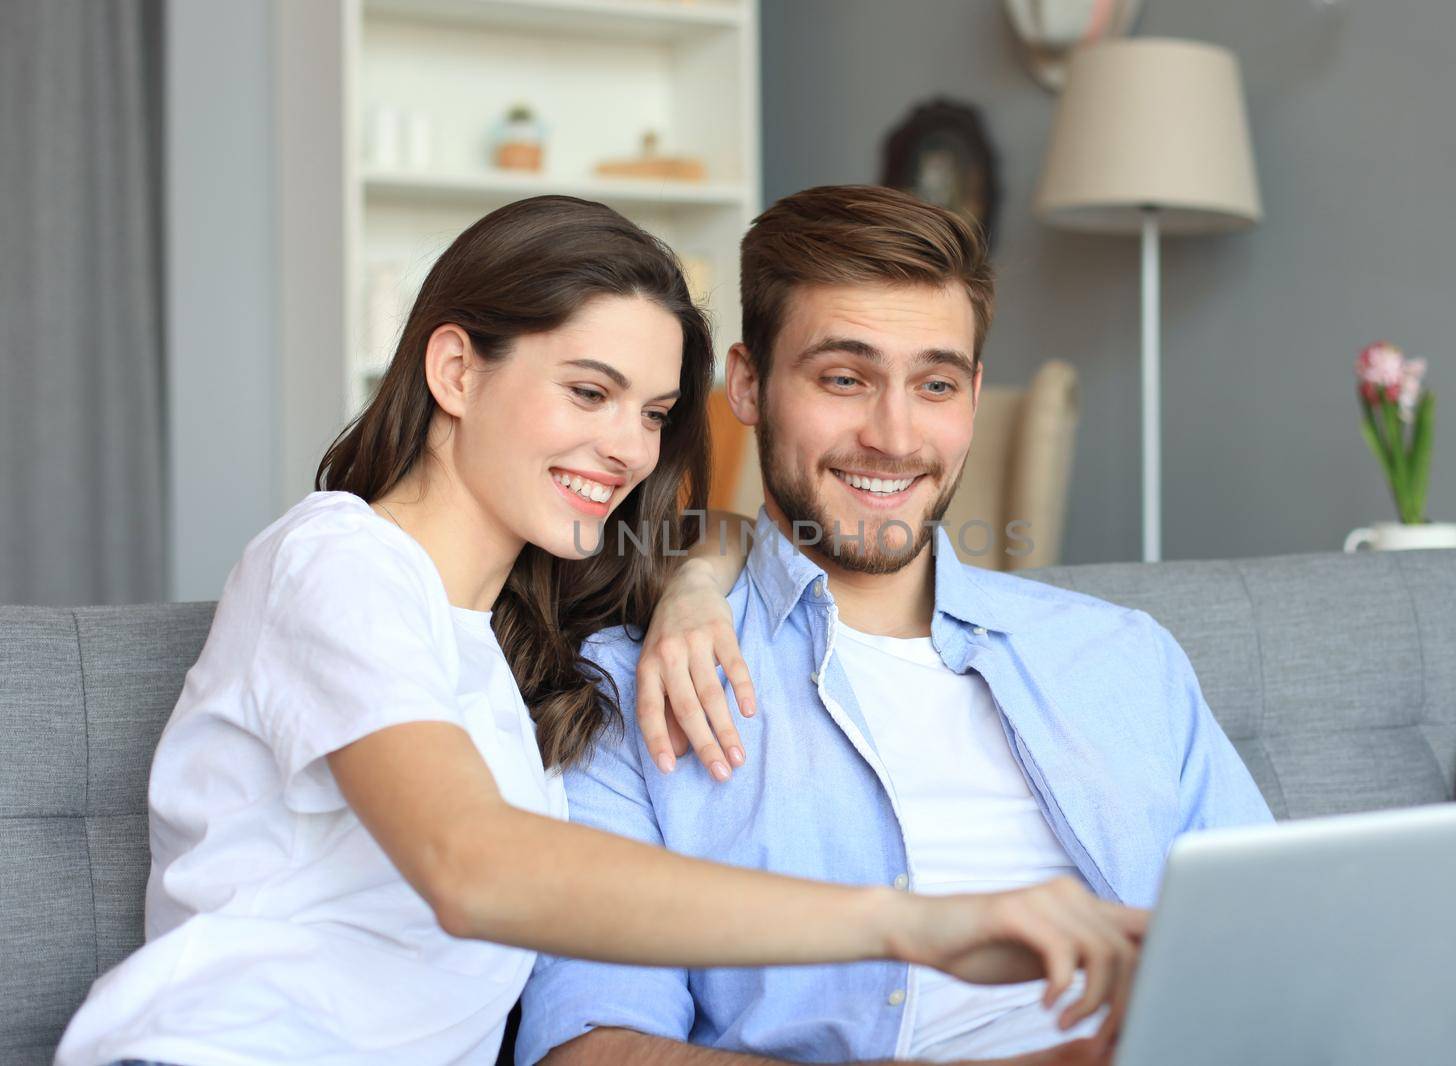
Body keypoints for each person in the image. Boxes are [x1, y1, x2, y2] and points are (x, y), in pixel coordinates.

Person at [54, 195, 1139, 1066]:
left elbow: (737, 535)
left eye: (655, 413)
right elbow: (473, 867)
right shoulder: (336, 561)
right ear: (455, 370)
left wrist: (696, 585)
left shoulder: (509, 629)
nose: (624, 447)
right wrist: (909, 923)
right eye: (588, 391)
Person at [517, 186, 1275, 1066]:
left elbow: (1279, 946)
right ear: (749, 384)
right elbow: (588, 1048)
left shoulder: (1123, 657)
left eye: (936, 384)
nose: (894, 433)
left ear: (974, 395)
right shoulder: (635, 690)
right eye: (845, 377)